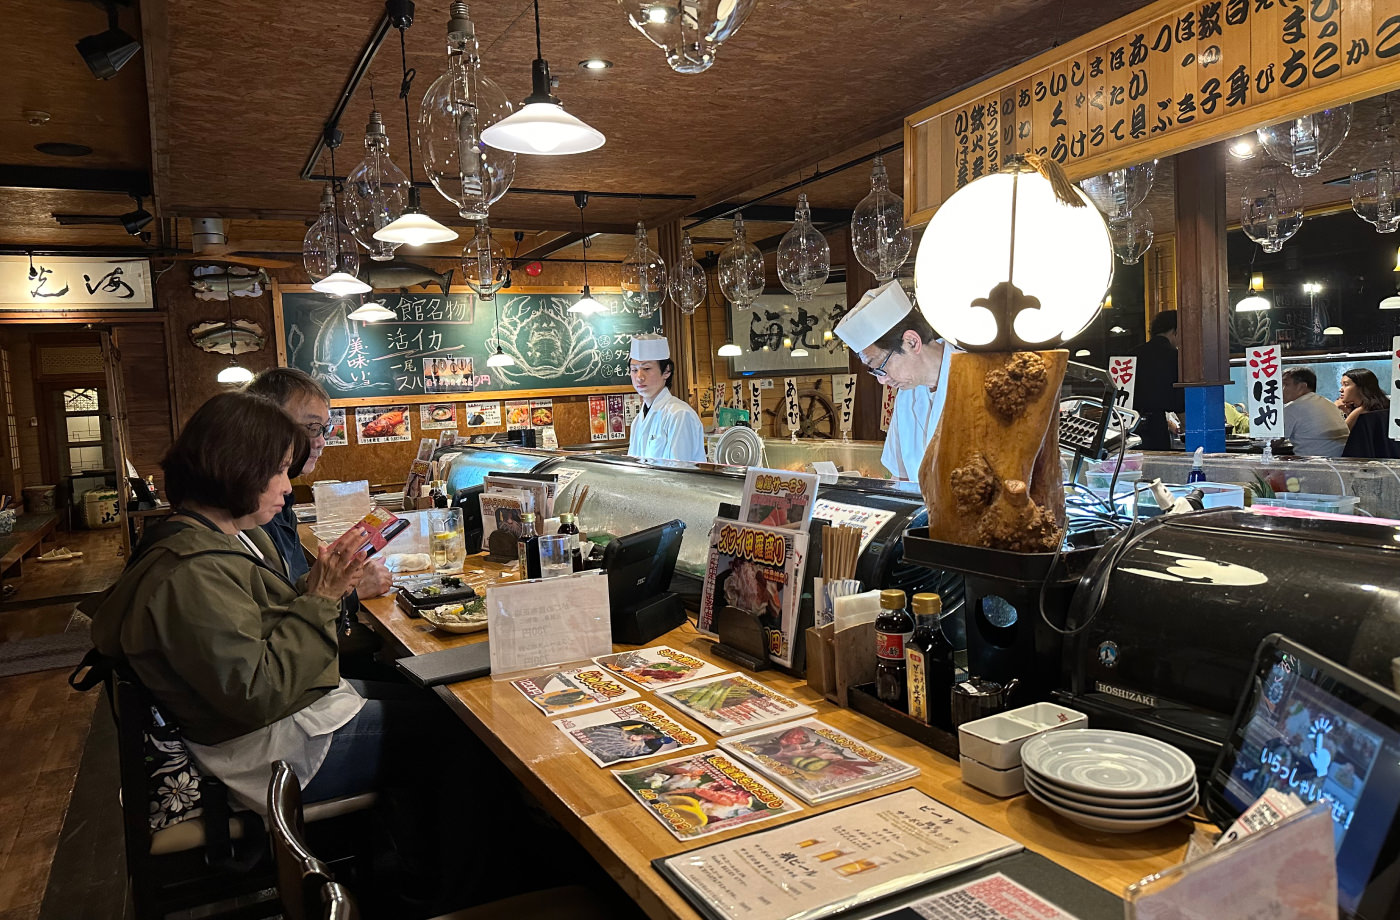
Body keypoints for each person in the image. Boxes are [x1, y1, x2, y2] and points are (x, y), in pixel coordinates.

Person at [243, 368, 393, 678]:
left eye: (324, 429)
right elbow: (260, 672)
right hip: (292, 695)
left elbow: (288, 594)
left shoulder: (277, 504)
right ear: (265, 425)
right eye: (312, 428)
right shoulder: (247, 516)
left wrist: (338, 582)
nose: (322, 442)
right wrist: (344, 594)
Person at [834, 281, 953, 480]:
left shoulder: (977, 376)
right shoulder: (907, 396)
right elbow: (901, 478)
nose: (882, 381)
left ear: (911, 342)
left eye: (881, 366)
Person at [627, 333, 706, 463]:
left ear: (666, 371)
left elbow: (678, 474)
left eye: (646, 368)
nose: (639, 377)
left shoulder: (679, 414)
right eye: (634, 370)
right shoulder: (637, 421)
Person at [1129, 310, 1185, 451]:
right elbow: (1178, 399)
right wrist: (1186, 427)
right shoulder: (1174, 356)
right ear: (1175, 331)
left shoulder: (1131, 355)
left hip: (1127, 427)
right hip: (1155, 428)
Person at [1281, 367, 1348, 457]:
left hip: (1315, 465)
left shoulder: (1293, 408)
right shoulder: (1327, 402)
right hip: (1340, 460)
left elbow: (1272, 442)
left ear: (1302, 387)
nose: (1281, 390)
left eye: (1285, 384)